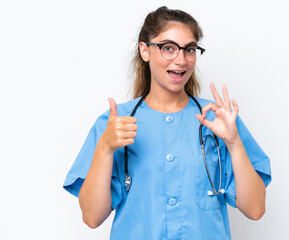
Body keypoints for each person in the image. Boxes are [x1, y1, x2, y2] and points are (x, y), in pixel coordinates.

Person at [63, 6, 271, 239]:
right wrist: (105, 148)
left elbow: (255, 209)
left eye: (189, 49)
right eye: (168, 48)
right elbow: (92, 217)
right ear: (145, 50)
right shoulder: (115, 124)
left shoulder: (219, 119)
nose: (181, 60)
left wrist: (234, 144)